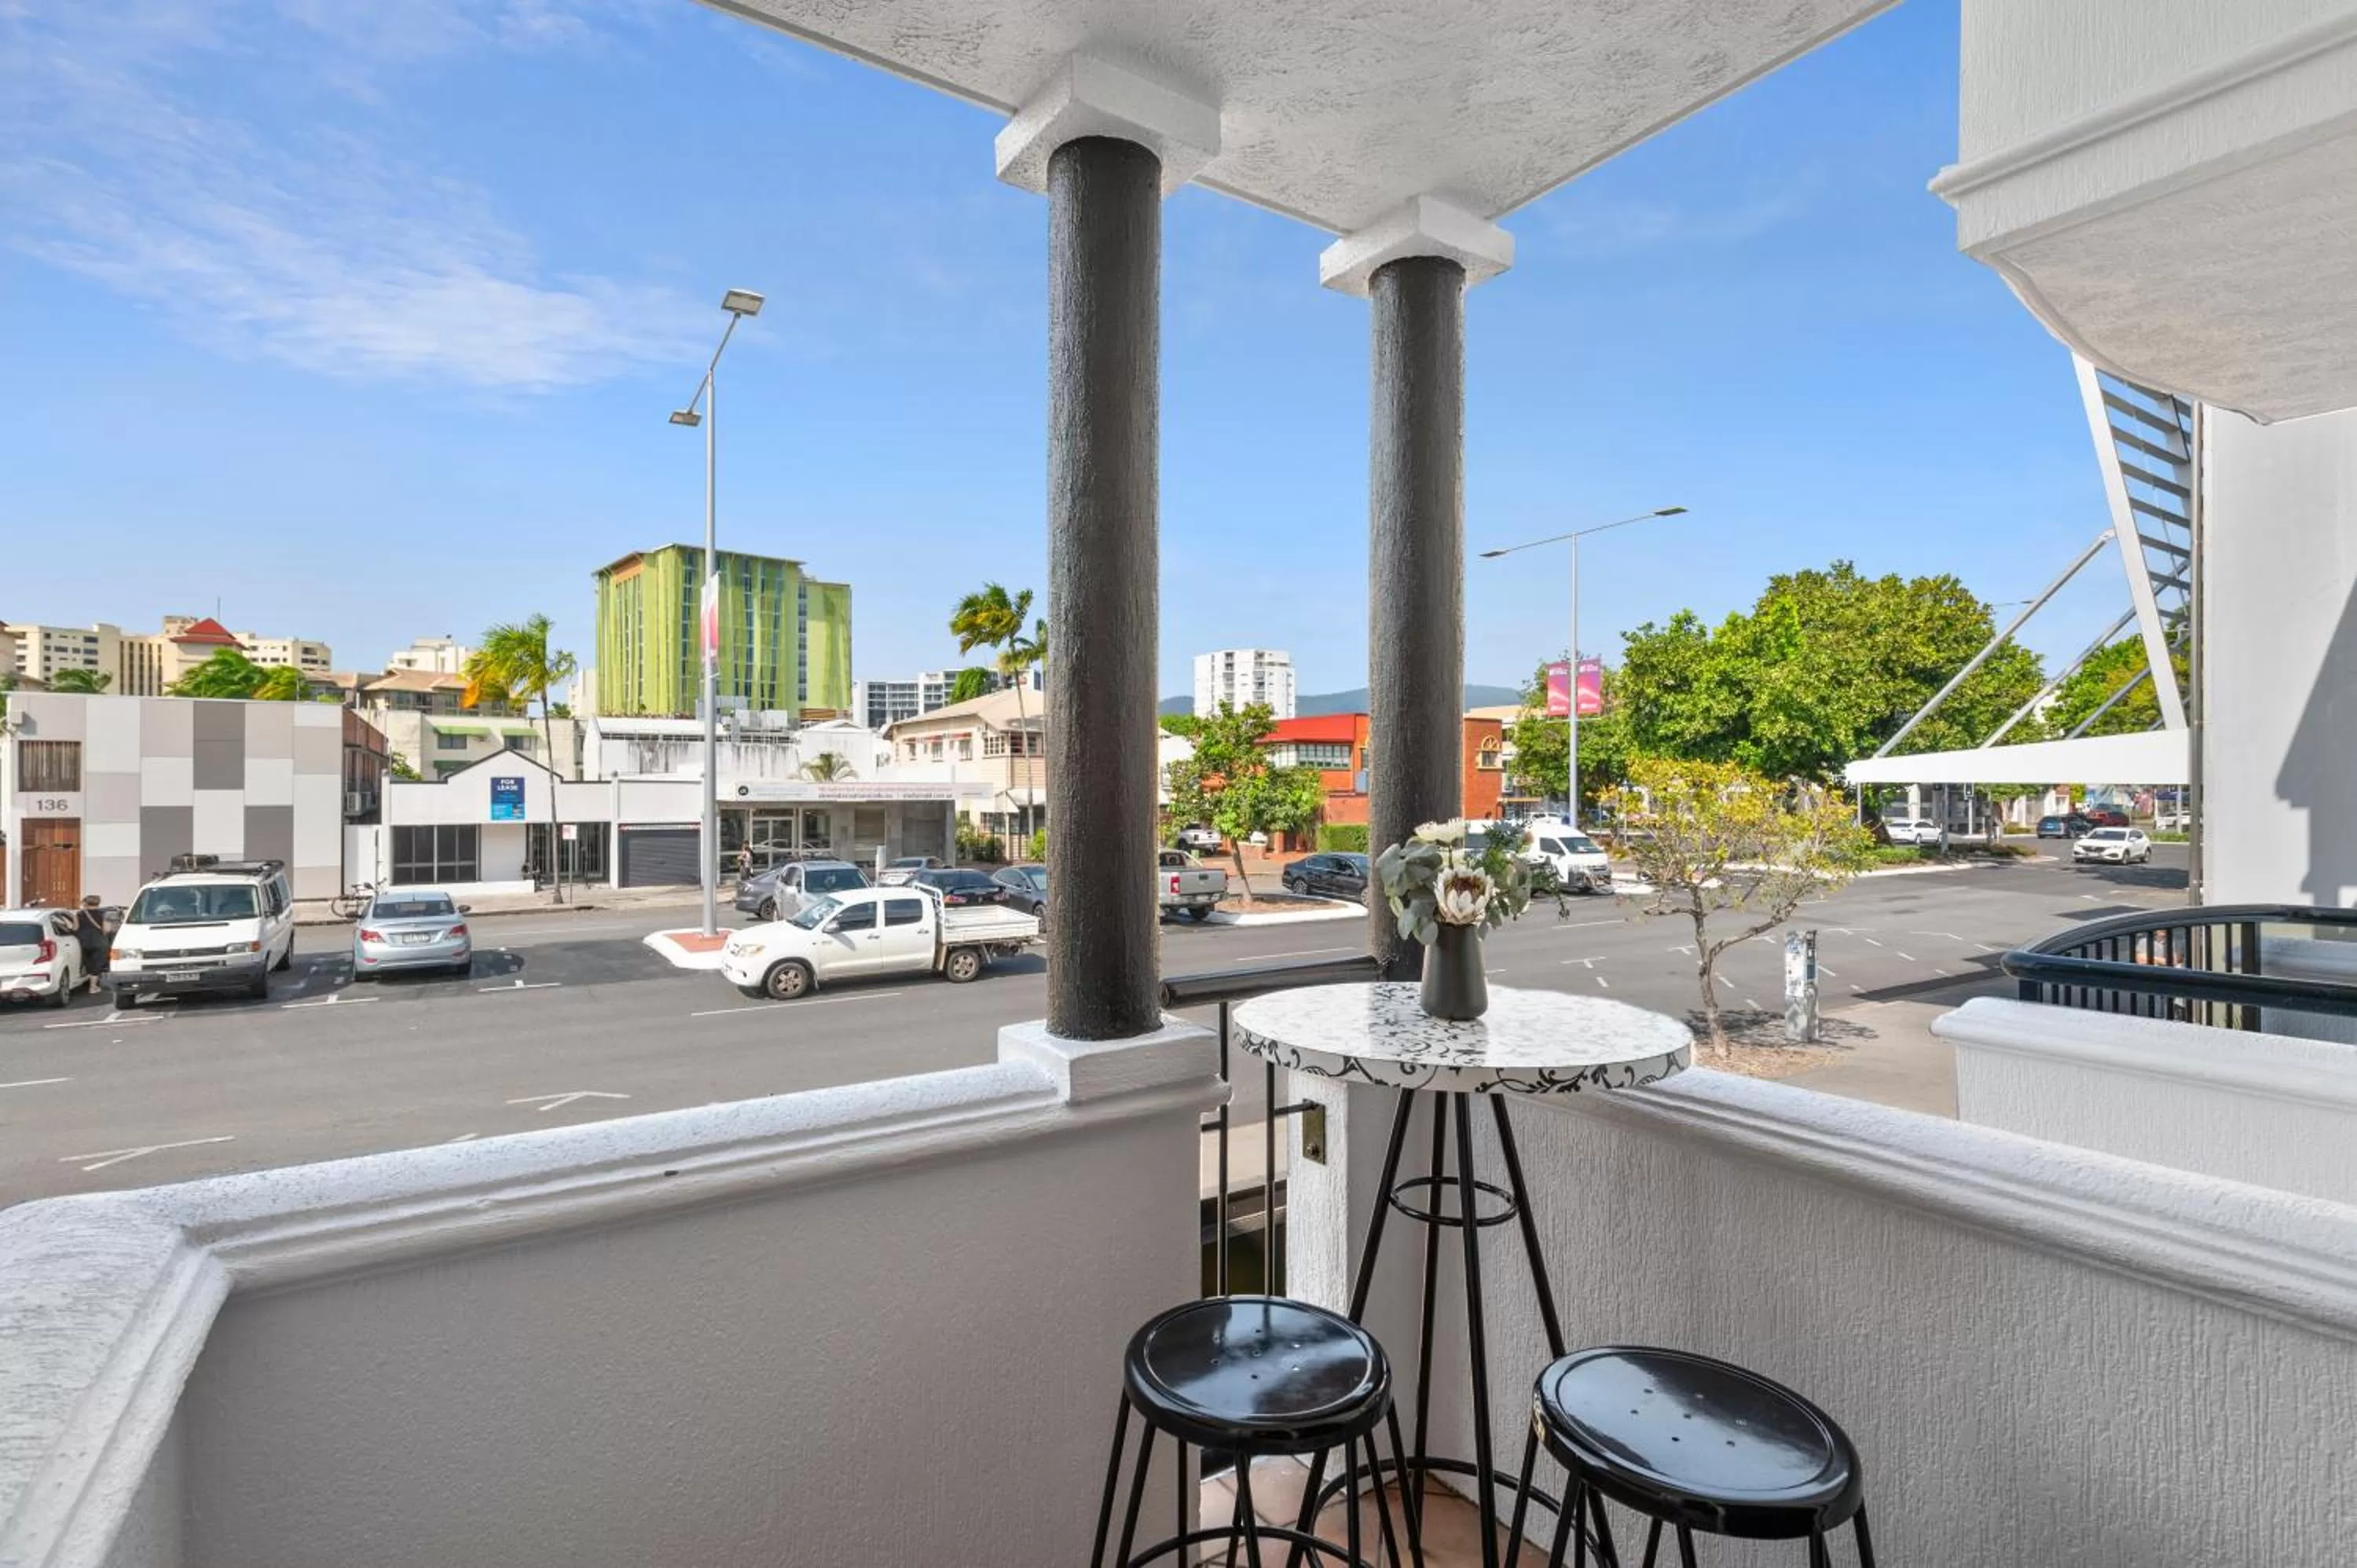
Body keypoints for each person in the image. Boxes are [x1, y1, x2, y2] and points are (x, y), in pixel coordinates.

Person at [75, 895, 108, 996]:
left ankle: (91, 985)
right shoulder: (103, 914)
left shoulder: (79, 914)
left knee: (88, 962)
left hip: (84, 941)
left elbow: (75, 928)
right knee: (97, 964)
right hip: (98, 941)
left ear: (86, 903)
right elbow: (106, 929)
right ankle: (93, 987)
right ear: (98, 903)